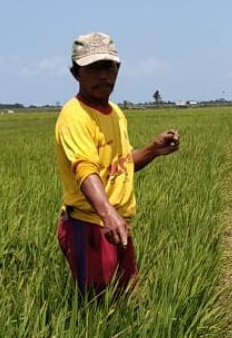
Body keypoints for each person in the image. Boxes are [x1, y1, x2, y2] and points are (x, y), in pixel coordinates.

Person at [54, 31, 180, 296]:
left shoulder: (116, 113)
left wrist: (153, 150)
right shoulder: (75, 115)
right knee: (96, 310)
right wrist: (107, 213)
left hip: (116, 225)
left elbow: (121, 163)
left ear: (118, 69)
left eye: (109, 66)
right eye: (94, 68)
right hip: (89, 225)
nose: (104, 75)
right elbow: (85, 169)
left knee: (126, 299)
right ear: (76, 73)